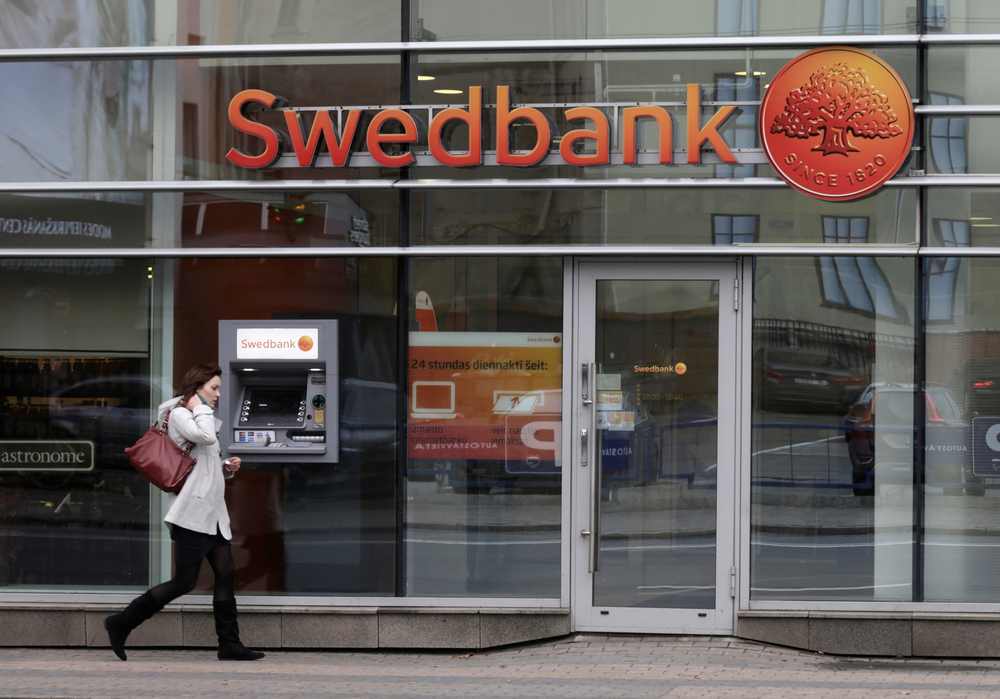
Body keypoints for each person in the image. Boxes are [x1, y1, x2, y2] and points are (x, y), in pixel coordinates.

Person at [104, 364, 265, 661]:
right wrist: (197, 407)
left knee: (225, 575)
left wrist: (225, 469)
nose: (218, 395)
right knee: (184, 582)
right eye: (214, 388)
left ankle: (229, 644)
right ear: (197, 386)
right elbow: (204, 438)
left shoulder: (195, 415)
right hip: (192, 514)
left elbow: (200, 464)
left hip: (213, 513)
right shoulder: (180, 414)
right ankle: (120, 623)